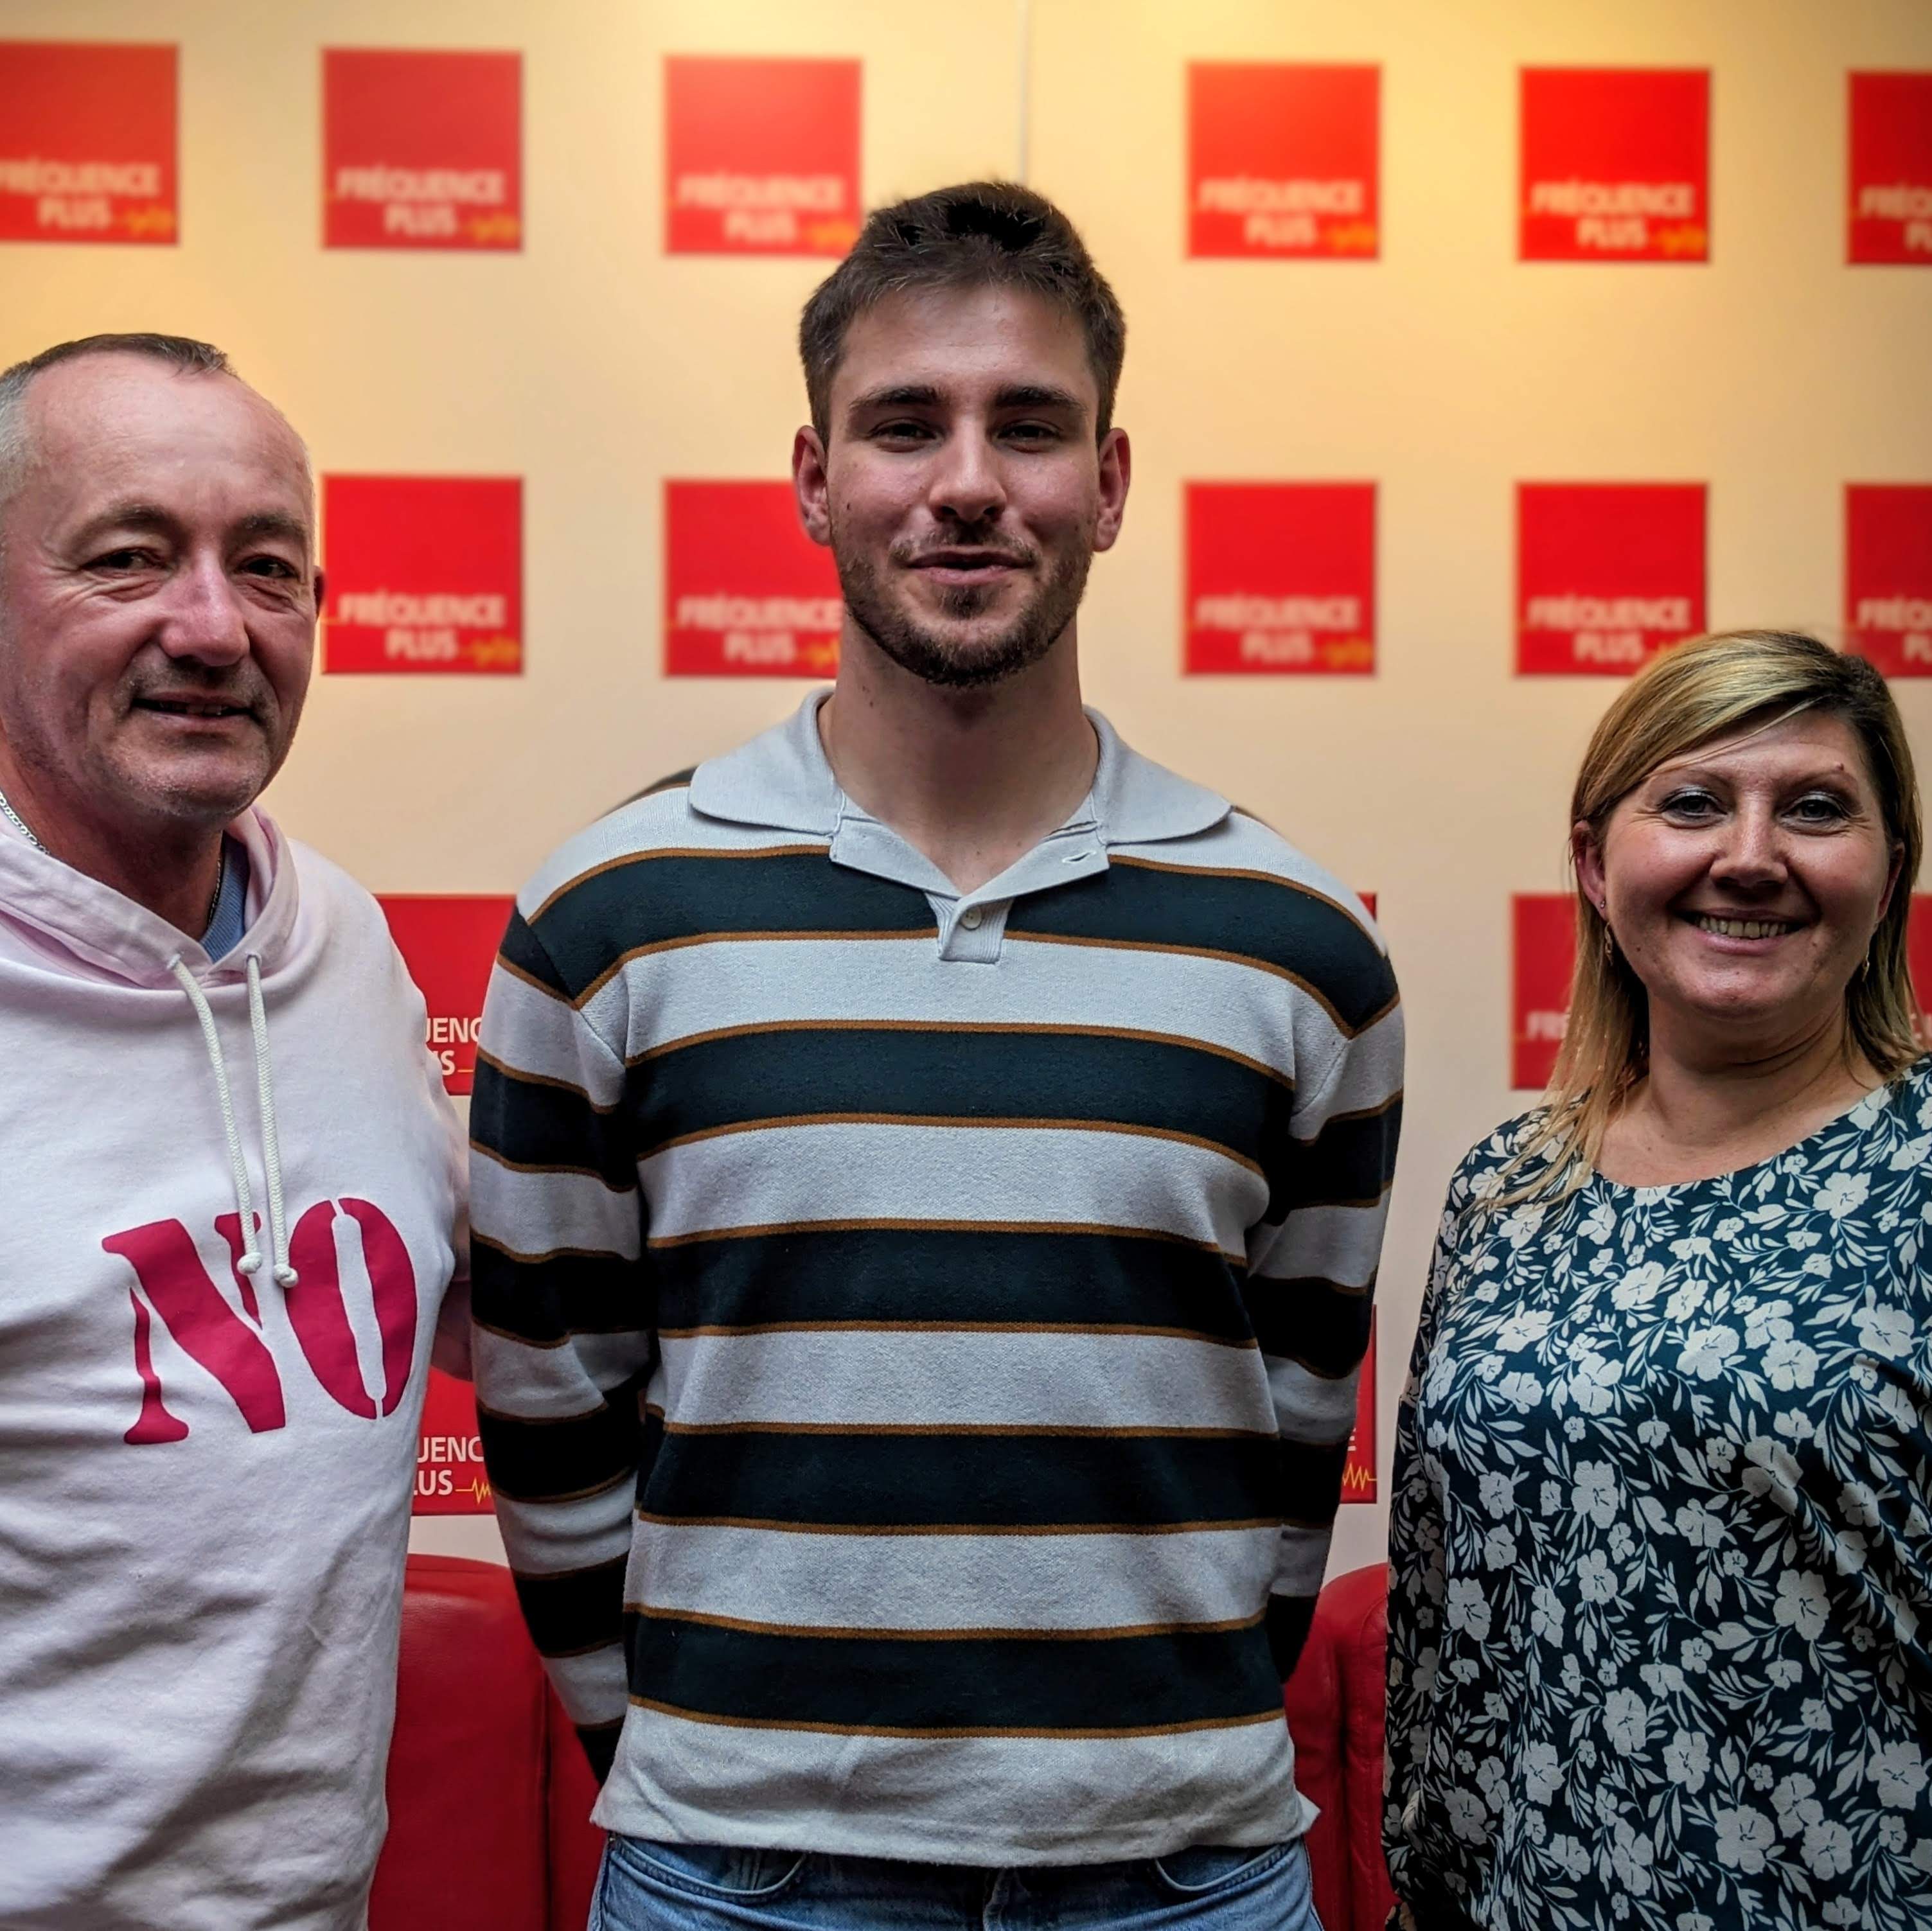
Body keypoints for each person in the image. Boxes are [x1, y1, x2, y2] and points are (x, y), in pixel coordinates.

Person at [472, 181, 1403, 1930]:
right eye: (905, 424)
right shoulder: (606, 916)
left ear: (1110, 485)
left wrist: (1148, 1750)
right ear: (817, 478)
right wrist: (685, 1760)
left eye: (1029, 426)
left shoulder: (1301, 948)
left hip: (1187, 1873)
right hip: (733, 1877)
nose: (968, 479)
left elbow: (1292, 1434)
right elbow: (547, 1406)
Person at [0, 333, 468, 1930]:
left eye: (265, 568)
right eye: (128, 559)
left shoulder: (338, 941)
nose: (211, 628)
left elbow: (499, 1295)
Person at [1385, 630, 1932, 1931]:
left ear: (1891, 871)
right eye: (1690, 803)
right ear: (1593, 862)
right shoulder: (1508, 1187)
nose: (1748, 855)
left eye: (1813, 808)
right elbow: (1432, 1615)